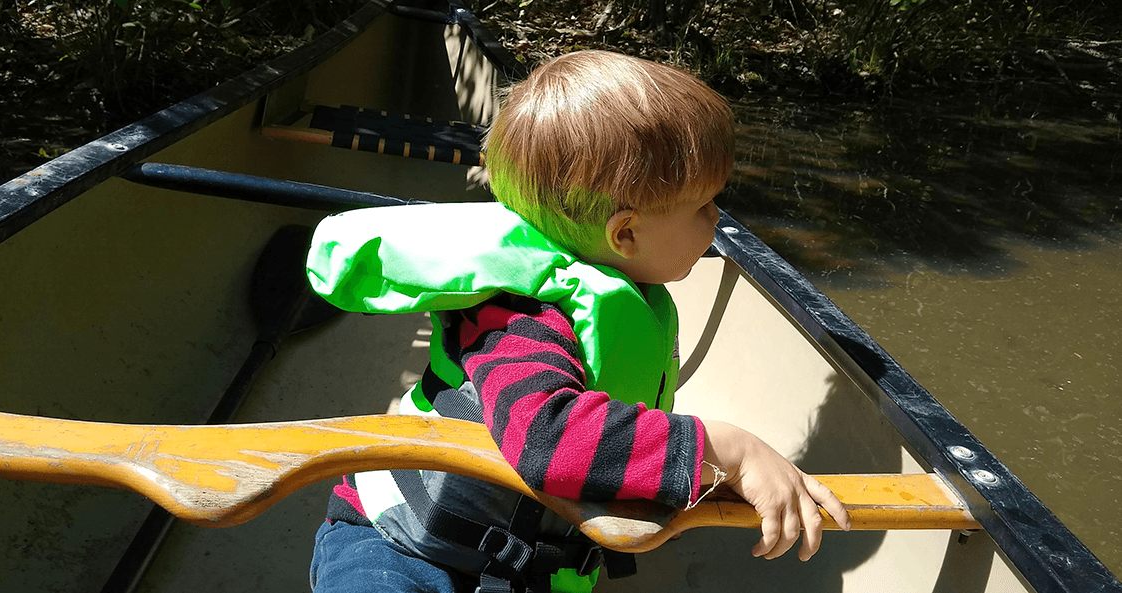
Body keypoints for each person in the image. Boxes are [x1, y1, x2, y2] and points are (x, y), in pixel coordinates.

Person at [305, 50, 851, 593]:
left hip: (506, 563)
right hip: (396, 553)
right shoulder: (519, 317)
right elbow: (550, 439)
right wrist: (727, 450)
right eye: (705, 206)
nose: (717, 219)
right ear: (626, 235)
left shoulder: (613, 285)